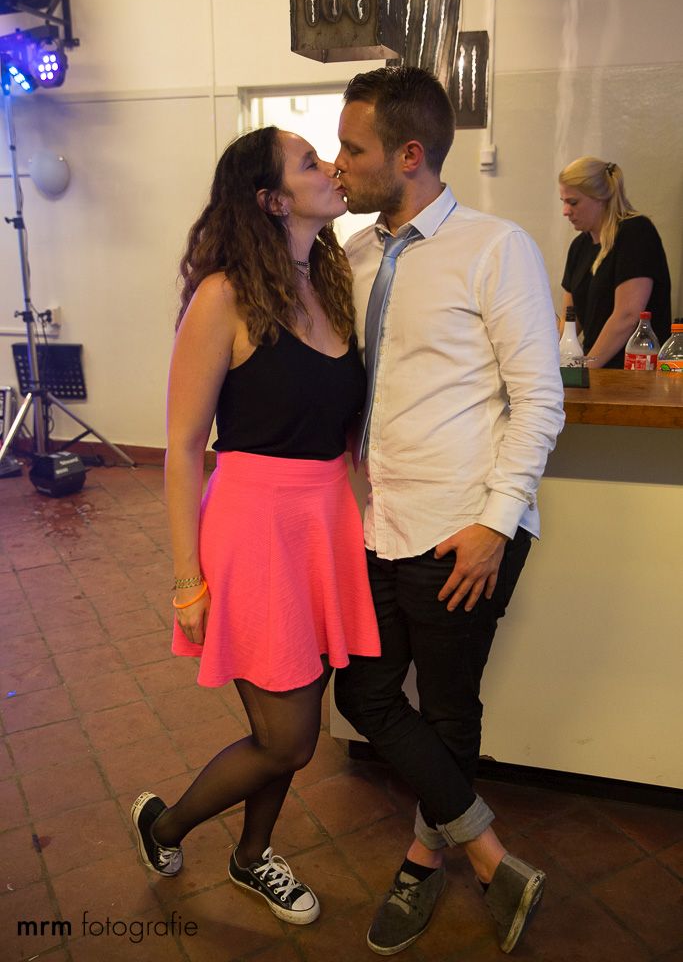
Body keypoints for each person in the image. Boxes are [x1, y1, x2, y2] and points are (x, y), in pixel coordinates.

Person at [332, 66, 565, 956]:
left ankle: (421, 864)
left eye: (352, 148)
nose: (338, 163)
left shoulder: (495, 247)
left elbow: (538, 399)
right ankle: (489, 854)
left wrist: (495, 525)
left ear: (409, 155)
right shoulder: (351, 257)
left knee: (448, 709)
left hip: (462, 528)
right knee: (364, 692)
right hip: (375, 523)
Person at [131, 126, 380, 925]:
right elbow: (181, 448)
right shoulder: (223, 296)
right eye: (310, 162)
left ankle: (250, 857)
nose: (331, 167)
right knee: (288, 738)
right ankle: (164, 826)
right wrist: (186, 581)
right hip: (254, 530)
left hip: (323, 525)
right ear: (272, 200)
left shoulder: (330, 282)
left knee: (291, 721)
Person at [559, 156, 672, 367]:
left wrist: (586, 367)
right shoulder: (579, 246)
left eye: (573, 202)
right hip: (596, 368)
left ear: (601, 197)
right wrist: (549, 361)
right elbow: (570, 321)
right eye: (563, 202)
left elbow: (627, 316)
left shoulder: (636, 233)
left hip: (633, 371)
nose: (565, 211)